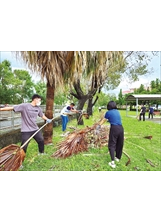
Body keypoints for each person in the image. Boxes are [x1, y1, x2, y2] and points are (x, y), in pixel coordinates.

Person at [98, 101, 124, 169]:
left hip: (114, 128)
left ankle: (112, 162)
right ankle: (117, 158)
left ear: (108, 106)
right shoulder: (117, 111)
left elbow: (103, 120)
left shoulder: (108, 112)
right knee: (119, 143)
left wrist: (98, 126)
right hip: (121, 128)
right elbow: (114, 119)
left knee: (112, 144)